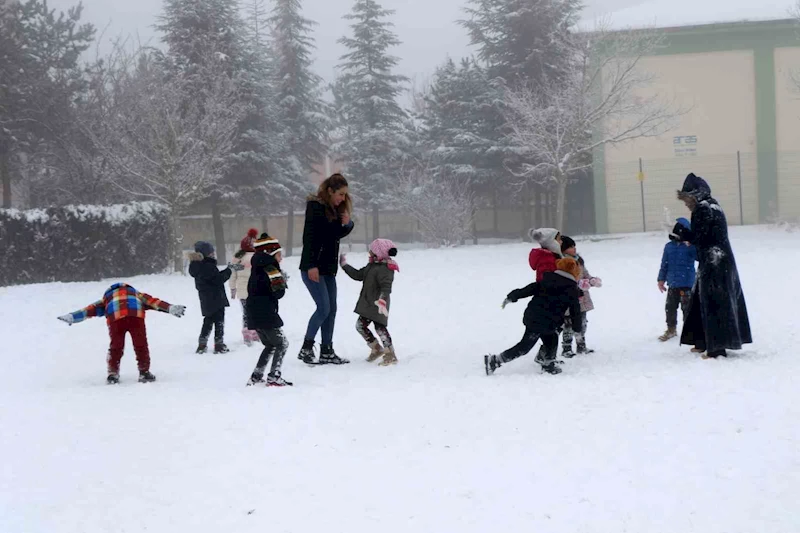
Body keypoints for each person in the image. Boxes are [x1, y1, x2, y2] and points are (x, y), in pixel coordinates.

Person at [673, 173, 752, 358]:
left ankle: (716, 347)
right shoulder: (714, 206)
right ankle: (701, 340)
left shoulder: (702, 208)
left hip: (714, 262)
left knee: (714, 303)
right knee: (702, 300)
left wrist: (683, 234)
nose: (686, 203)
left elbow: (700, 238)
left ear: (695, 194)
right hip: (720, 260)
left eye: (687, 198)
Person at [57, 283, 186, 384]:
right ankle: (144, 372)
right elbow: (154, 302)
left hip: (116, 319)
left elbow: (88, 310)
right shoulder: (136, 294)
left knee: (116, 346)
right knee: (141, 345)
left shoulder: (107, 298)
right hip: (136, 316)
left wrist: (72, 317)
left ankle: (113, 373)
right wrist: (170, 308)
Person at [485, 257, 583, 376]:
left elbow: (528, 289)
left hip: (536, 317)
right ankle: (495, 360)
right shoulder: (571, 289)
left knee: (552, 339)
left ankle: (548, 363)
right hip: (541, 321)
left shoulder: (547, 280)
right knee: (525, 346)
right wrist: (577, 328)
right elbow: (575, 311)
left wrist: (512, 296)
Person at [297, 173, 355, 365]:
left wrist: (347, 224)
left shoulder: (333, 210)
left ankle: (327, 350)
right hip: (313, 267)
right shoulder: (316, 208)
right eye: (340, 194)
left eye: (345, 195)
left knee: (332, 309)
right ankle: (306, 348)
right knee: (323, 308)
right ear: (330, 191)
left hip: (328, 268)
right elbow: (310, 238)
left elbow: (333, 234)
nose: (342, 198)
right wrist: (311, 265)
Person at [340, 238, 399, 366]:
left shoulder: (386, 268)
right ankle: (376, 348)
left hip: (379, 305)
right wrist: (345, 265)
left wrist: (382, 300)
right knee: (360, 326)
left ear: (379, 253)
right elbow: (357, 275)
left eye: (371, 251)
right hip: (368, 304)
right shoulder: (371, 266)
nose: (369, 253)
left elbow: (386, 287)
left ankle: (391, 354)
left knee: (380, 328)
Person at [245, 233, 292, 387]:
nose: (281, 258)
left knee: (270, 344)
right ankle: (274, 376)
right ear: (271, 254)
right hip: (266, 313)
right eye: (279, 254)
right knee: (282, 343)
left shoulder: (256, 268)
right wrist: (282, 281)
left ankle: (257, 375)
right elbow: (279, 293)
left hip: (253, 313)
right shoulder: (271, 268)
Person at [189, 241, 244, 354]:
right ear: (205, 254)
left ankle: (202, 344)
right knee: (219, 321)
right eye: (211, 253)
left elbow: (213, 278)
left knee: (208, 321)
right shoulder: (208, 266)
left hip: (206, 299)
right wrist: (229, 270)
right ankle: (219, 345)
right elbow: (218, 279)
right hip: (216, 298)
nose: (213, 255)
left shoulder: (197, 265)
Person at [560, 236, 602, 357]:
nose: (574, 249)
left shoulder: (579, 260)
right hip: (569, 298)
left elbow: (585, 274)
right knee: (568, 323)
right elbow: (564, 279)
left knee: (582, 321)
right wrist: (579, 283)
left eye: (574, 246)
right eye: (570, 247)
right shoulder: (562, 262)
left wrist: (591, 280)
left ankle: (581, 344)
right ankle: (566, 347)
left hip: (582, 298)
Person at [657, 218, 697, 342]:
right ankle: (671, 329)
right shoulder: (669, 247)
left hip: (686, 284)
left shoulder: (690, 247)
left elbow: (698, 257)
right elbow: (664, 264)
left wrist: (691, 245)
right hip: (673, 284)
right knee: (670, 307)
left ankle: (690, 331)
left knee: (687, 308)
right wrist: (661, 279)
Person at [230, 228, 259, 346]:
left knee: (246, 313)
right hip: (257, 290)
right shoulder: (258, 256)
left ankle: (247, 335)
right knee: (256, 312)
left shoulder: (237, 257)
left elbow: (232, 274)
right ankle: (257, 334)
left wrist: (232, 289)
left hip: (242, 291)